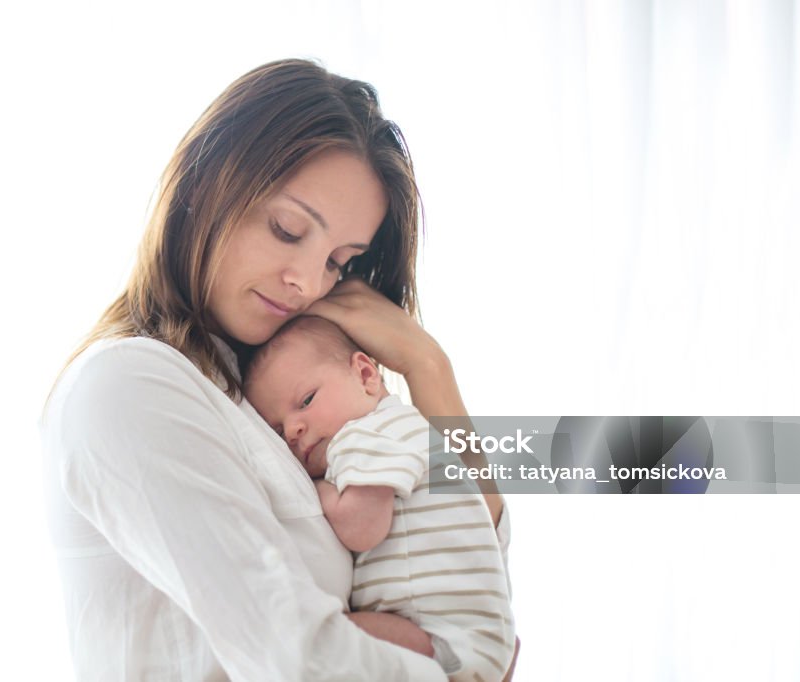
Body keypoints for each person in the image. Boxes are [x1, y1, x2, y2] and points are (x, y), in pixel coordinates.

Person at [40, 58, 517, 680]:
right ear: (208, 184)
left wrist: (430, 371)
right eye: (288, 229)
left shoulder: (280, 406)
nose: (307, 283)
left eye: (338, 262)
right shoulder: (130, 386)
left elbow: (469, 581)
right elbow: (294, 658)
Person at [243, 315, 516, 680]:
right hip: (475, 642)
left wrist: (319, 491)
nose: (293, 430)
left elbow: (362, 527)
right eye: (277, 430)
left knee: (321, 635)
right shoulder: (401, 428)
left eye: (306, 400)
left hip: (444, 642)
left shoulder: (366, 435)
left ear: (366, 376)